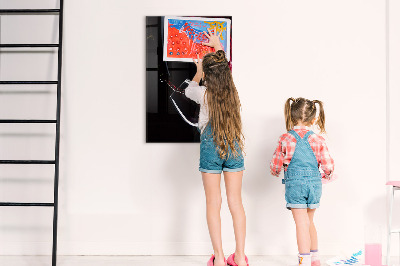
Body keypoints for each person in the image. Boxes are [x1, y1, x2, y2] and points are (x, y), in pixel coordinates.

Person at [185, 28, 248, 266]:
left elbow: (188, 89)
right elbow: (224, 71)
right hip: (233, 146)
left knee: (214, 203)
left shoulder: (203, 94)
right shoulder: (233, 93)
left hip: (211, 148)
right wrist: (219, 46)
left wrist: (199, 70)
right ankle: (240, 257)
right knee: (236, 202)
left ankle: (220, 259)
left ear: (208, 76)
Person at [270, 98, 335, 266]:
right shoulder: (318, 139)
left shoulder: (285, 138)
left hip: (295, 186)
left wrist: (275, 171)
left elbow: (275, 164)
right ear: (313, 120)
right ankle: (315, 260)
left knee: (301, 224)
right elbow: (328, 165)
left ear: (291, 117)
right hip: (314, 185)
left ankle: (304, 261)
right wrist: (327, 176)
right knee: (309, 222)